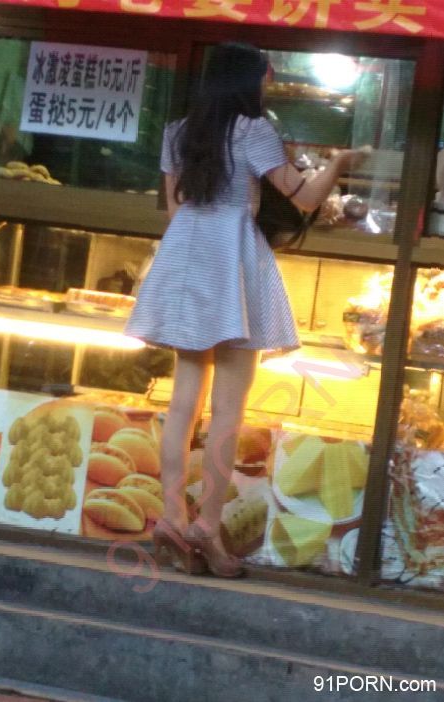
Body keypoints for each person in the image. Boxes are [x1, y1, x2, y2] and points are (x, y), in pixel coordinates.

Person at [125, 42, 367, 578]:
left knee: (183, 402)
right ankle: (207, 529)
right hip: (233, 258)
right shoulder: (254, 131)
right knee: (228, 410)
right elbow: (304, 198)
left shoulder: (178, 132)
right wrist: (338, 163)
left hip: (187, 256)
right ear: (245, 80)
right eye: (265, 77)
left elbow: (175, 209)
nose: (268, 85)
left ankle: (171, 516)